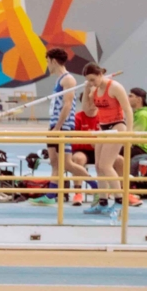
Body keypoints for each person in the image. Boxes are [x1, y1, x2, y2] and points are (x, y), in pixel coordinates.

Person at [80, 64, 133, 214]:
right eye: (88, 81)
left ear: (100, 74)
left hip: (117, 127)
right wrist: (86, 89)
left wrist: (129, 132)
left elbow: (128, 109)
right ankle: (102, 202)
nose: (91, 83)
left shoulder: (115, 87)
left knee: (106, 165)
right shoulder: (94, 89)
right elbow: (87, 109)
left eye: (92, 79)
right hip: (102, 128)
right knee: (98, 166)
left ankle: (119, 201)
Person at [42, 48, 92, 203]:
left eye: (47, 61)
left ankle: (96, 186)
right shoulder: (59, 80)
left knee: (67, 163)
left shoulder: (68, 79)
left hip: (62, 127)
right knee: (55, 162)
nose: (47, 65)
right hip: (54, 125)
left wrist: (58, 127)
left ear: (53, 61)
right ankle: (50, 196)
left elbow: (68, 105)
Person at [122, 87, 147, 206]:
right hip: (137, 146)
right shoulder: (136, 113)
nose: (127, 98)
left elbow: (134, 136)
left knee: (114, 153)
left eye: (130, 96)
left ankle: (126, 188)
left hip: (142, 148)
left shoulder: (142, 115)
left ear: (139, 99)